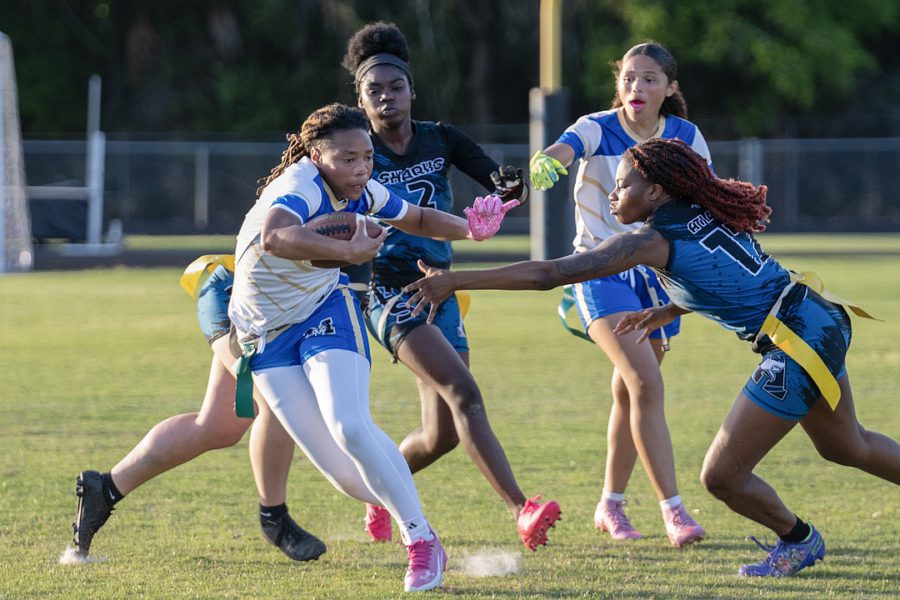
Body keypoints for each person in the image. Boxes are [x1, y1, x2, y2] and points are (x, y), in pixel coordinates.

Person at [404, 137, 900, 577]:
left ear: (657, 191)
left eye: (623, 185)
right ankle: (799, 538)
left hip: (795, 339)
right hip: (817, 315)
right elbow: (726, 272)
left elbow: (550, 274)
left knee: (722, 478)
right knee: (847, 446)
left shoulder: (651, 239)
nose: (613, 194)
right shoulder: (700, 208)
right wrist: (670, 308)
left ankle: (799, 540)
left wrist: (457, 279)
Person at [227, 102, 513, 593]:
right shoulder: (299, 186)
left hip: (324, 309)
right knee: (343, 476)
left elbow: (416, 217)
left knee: (350, 425)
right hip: (265, 332)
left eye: (366, 158)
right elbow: (274, 237)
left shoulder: (361, 187)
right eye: (347, 159)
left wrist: (471, 228)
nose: (361, 169)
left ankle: (421, 541)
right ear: (316, 156)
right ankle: (415, 525)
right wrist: (348, 250)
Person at [340, 21, 561, 551]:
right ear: (360, 100)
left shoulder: (441, 138)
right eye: (374, 91)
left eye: (395, 87)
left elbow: (504, 184)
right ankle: (522, 510)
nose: (386, 98)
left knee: (439, 436)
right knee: (465, 392)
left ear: (412, 90)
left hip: (442, 287)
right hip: (390, 293)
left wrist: (505, 196)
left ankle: (378, 496)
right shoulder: (356, 151)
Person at [527, 42, 707, 546]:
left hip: (658, 276)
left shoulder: (685, 136)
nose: (636, 87)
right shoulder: (597, 126)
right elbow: (566, 146)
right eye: (628, 78)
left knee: (630, 392)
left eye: (649, 79)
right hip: (600, 271)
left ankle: (610, 505)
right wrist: (550, 161)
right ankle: (674, 511)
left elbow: (705, 196)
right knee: (645, 383)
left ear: (669, 88)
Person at [71, 255, 325, 562]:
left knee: (219, 425)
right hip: (243, 299)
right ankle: (274, 518)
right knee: (277, 402)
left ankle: (105, 489)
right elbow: (279, 238)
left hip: (278, 304)